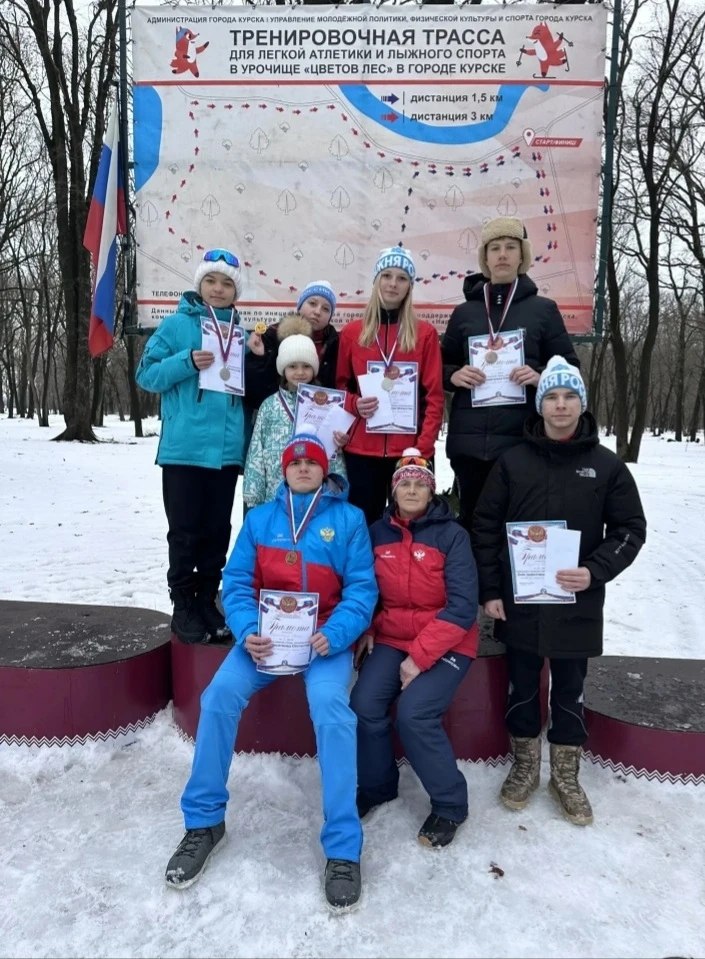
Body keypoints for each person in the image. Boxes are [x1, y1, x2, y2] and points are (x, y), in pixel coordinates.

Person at [164, 433, 378, 911]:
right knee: (218, 698)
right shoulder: (260, 520)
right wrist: (246, 629)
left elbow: (363, 589)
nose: (303, 467)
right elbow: (237, 583)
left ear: (326, 470)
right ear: (283, 470)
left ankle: (343, 848)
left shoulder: (348, 520)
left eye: (312, 462)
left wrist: (338, 633)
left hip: (323, 641)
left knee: (331, 710)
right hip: (264, 639)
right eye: (295, 462)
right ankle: (203, 822)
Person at [471, 356, 646, 826]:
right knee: (523, 685)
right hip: (521, 601)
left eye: (569, 396)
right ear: (540, 403)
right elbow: (485, 526)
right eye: (552, 396)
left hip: (577, 602)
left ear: (582, 404)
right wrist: (491, 589)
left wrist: (594, 571)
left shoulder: (606, 466)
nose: (561, 405)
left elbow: (630, 529)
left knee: (571, 687)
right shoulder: (512, 462)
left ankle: (566, 772)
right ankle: (526, 763)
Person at [351, 448, 479, 848]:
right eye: (403, 483)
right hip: (391, 636)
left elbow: (462, 607)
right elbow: (363, 588)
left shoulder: (452, 535)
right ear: (393, 491)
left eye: (418, 484)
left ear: (430, 490)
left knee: (414, 714)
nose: (410, 489)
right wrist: (368, 627)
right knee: (364, 704)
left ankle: (449, 804)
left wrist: (419, 658)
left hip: (448, 641)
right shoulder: (376, 533)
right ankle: (378, 785)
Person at [136, 248, 251, 645]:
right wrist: (186, 361)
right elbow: (146, 375)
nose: (218, 289)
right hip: (184, 448)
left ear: (236, 291)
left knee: (217, 531)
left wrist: (260, 360)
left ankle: (206, 601)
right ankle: (183, 604)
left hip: (226, 451)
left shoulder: (243, 334)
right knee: (184, 532)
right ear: (200, 284)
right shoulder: (176, 325)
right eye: (212, 281)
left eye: (227, 284)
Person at [442, 216, 580, 535]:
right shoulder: (464, 313)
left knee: (516, 531)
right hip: (469, 446)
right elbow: (439, 367)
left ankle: (509, 587)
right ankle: (474, 587)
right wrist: (453, 376)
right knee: (473, 528)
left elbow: (570, 367)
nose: (502, 254)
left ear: (522, 256)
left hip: (523, 442)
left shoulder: (544, 310)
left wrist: (540, 375)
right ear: (485, 258)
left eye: (510, 247)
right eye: (494, 248)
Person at [335, 247, 445, 526]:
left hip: (408, 452)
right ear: (376, 281)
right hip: (362, 451)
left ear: (410, 286)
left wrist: (422, 449)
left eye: (401, 278)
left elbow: (433, 397)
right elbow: (340, 387)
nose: (393, 283)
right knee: (362, 527)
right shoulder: (352, 333)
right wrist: (353, 404)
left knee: (409, 528)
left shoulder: (425, 334)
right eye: (386, 275)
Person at [242, 314, 347, 508]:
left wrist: (336, 489)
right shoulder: (270, 405)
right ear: (283, 368)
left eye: (306, 366)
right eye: (292, 366)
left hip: (318, 497)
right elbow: (257, 450)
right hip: (275, 497)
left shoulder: (327, 404)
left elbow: (335, 453)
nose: (300, 372)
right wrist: (253, 493)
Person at [244, 280, 339, 413]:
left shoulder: (336, 343)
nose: (317, 312)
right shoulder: (272, 335)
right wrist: (257, 358)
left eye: (326, 309)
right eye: (312, 303)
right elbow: (253, 396)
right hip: (276, 417)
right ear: (299, 305)